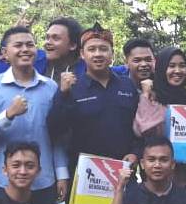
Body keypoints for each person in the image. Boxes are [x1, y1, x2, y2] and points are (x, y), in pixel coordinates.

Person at [0, 26, 68, 204]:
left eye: (30, 45)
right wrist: (8, 114)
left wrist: (62, 175)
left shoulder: (50, 87)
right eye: (18, 45)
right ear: (5, 53)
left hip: (44, 181)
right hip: (4, 183)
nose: (25, 49)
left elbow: (58, 134)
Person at [47, 23, 140, 175]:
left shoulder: (127, 85)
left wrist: (135, 152)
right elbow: (55, 129)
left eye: (103, 49)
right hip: (85, 174)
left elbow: (139, 127)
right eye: (91, 49)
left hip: (122, 170)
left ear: (112, 54)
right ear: (82, 54)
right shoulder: (72, 87)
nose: (98, 54)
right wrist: (62, 95)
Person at [133, 46, 186, 138]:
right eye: (171, 66)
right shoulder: (150, 97)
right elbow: (140, 130)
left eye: (182, 66)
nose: (177, 71)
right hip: (154, 151)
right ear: (162, 68)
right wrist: (145, 96)